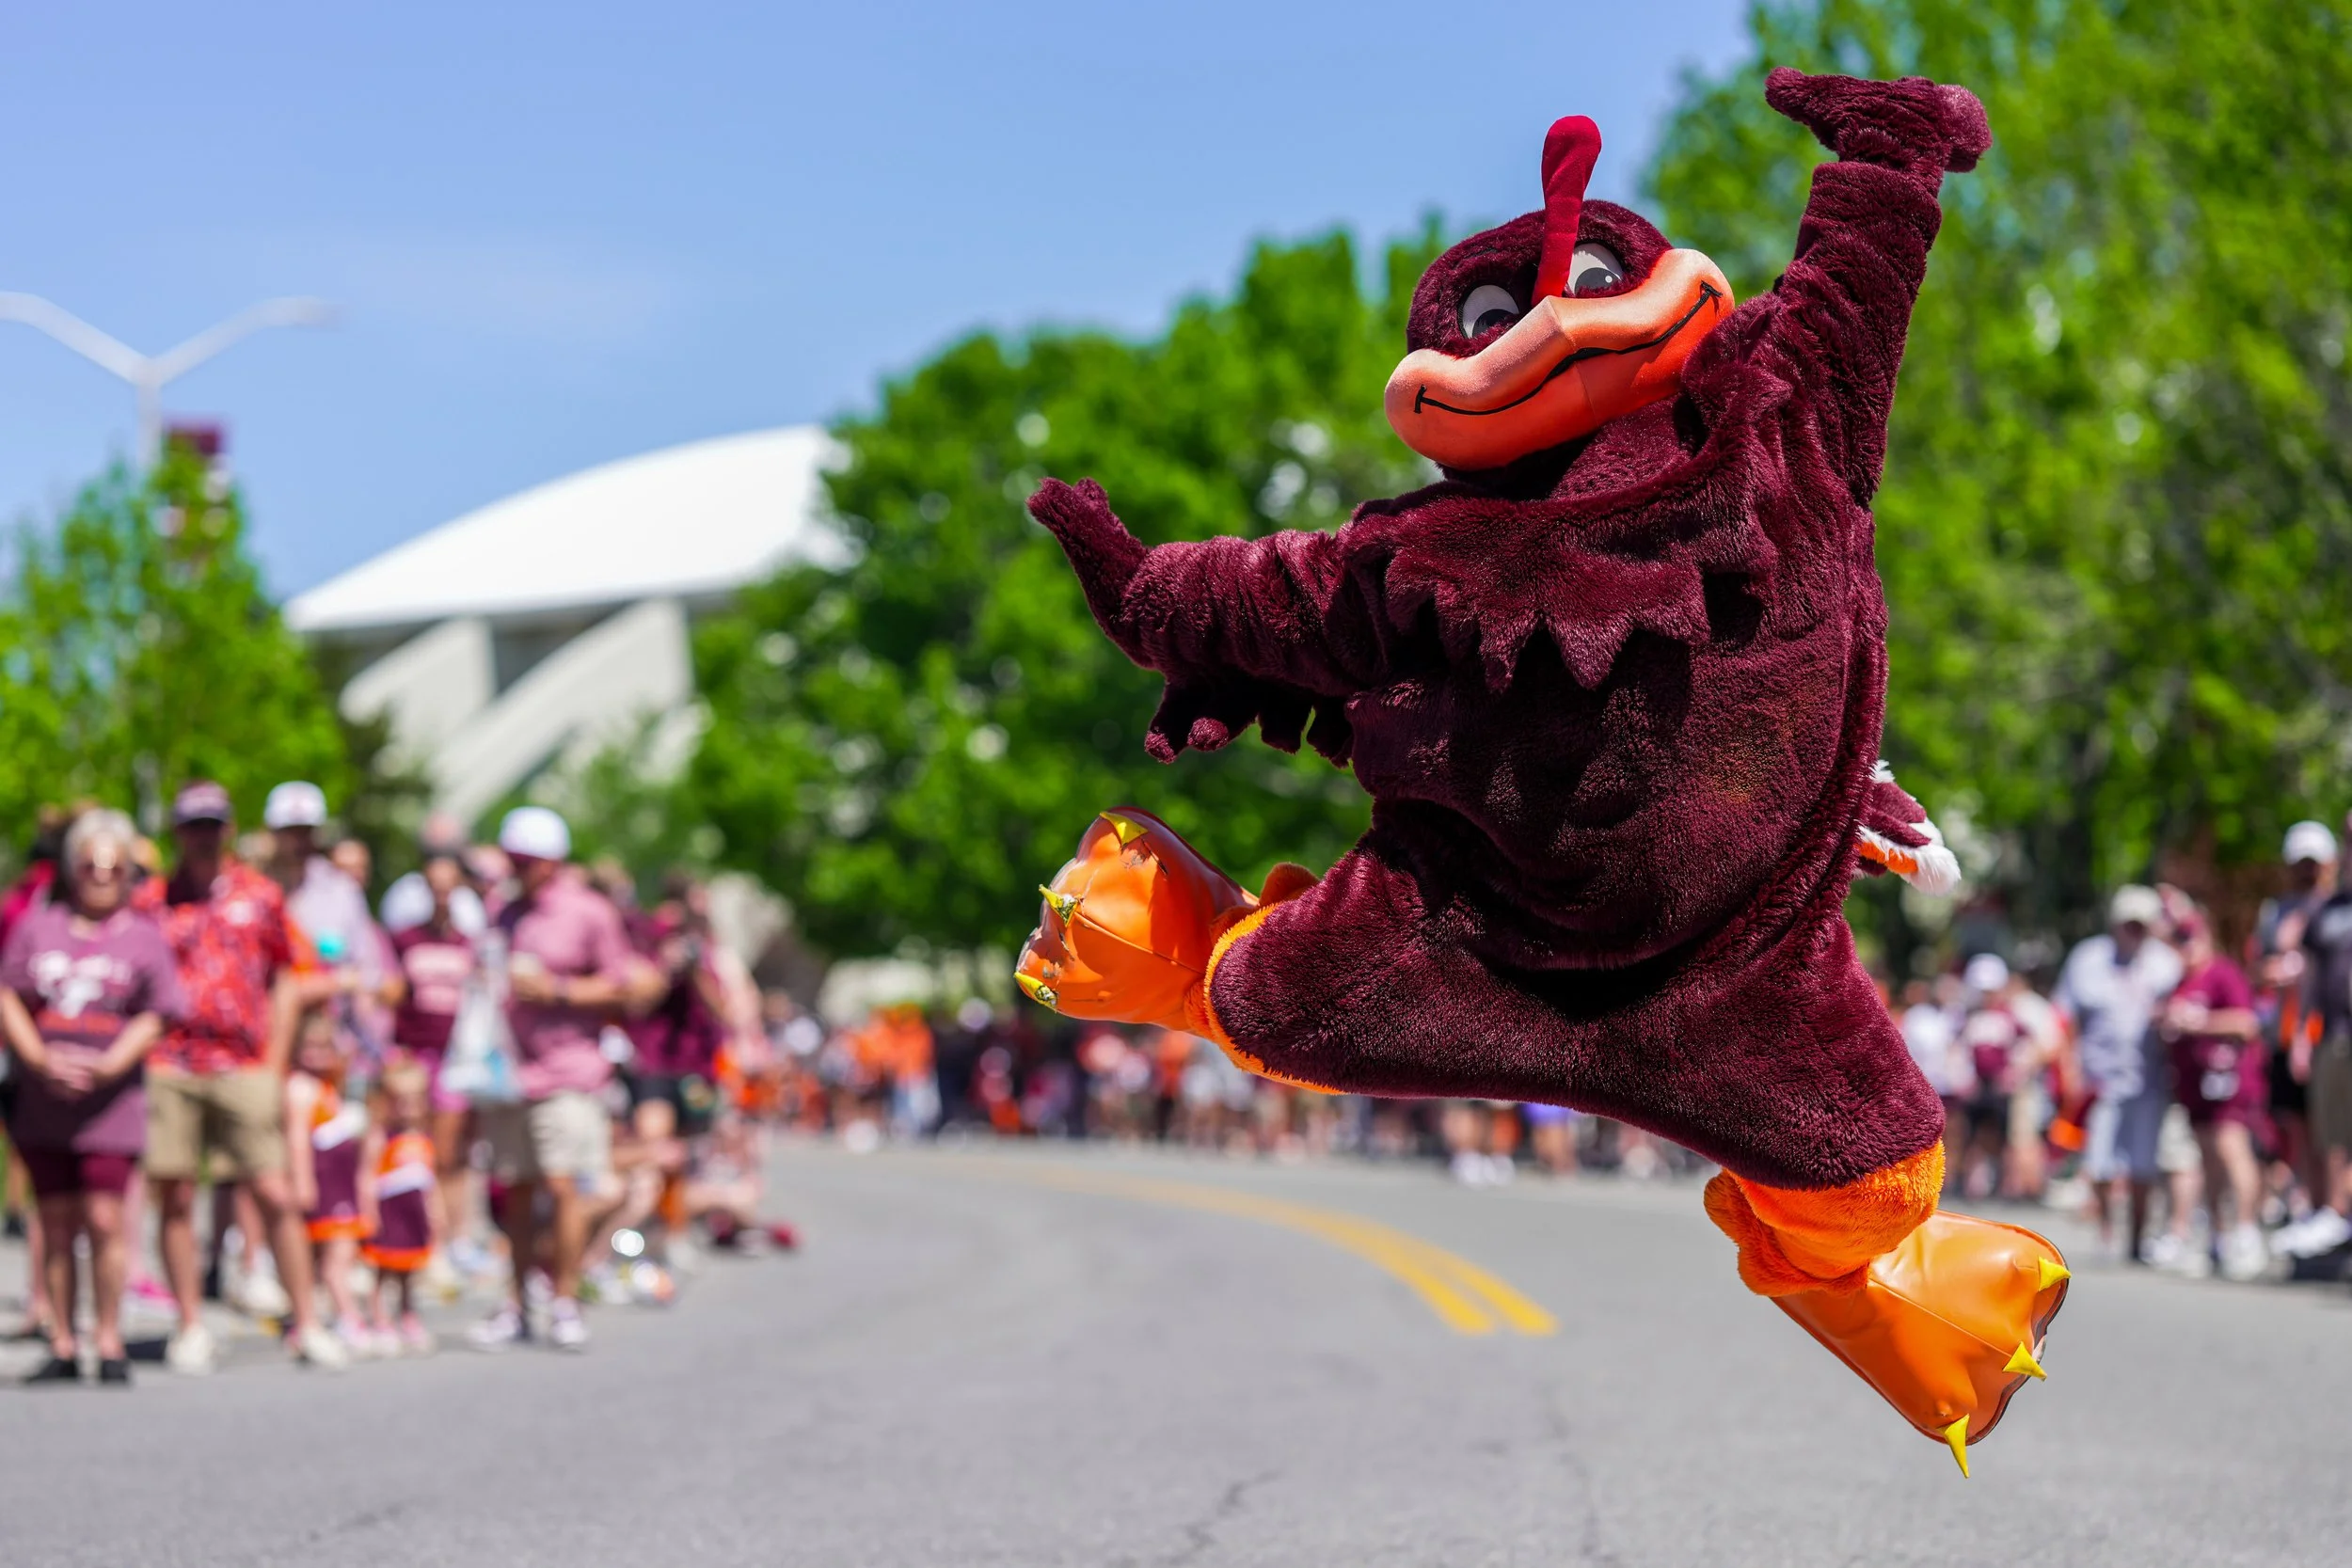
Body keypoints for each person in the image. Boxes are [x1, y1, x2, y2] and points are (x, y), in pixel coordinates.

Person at [135, 782, 348, 1372]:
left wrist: (275, 1057)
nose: (203, 837)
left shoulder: (259, 895)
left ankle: (306, 1321)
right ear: (177, 833)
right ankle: (189, 1323)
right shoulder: (152, 900)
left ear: (228, 829)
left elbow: (289, 976)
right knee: (175, 1192)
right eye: (192, 826)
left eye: (213, 824)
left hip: (243, 1062)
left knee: (274, 1191)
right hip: (170, 1063)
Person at [0, 810, 184, 1385]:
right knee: (53, 1222)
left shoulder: (144, 937)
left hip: (110, 1101)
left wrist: (109, 1065)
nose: (102, 875)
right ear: (71, 870)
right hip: (43, 1099)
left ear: (129, 872)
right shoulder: (40, 927)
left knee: (105, 1219)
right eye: (90, 865)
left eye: (114, 866)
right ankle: (61, 1337)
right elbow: (10, 994)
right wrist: (36, 1058)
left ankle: (108, 1337)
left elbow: (159, 1013)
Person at [470, 806, 644, 1353]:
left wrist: (559, 992)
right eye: (513, 860)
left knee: (565, 1186)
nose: (518, 870)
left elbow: (623, 984)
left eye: (528, 861)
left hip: (570, 1071)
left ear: (552, 862)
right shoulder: (500, 911)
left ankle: (565, 1300)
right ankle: (519, 1302)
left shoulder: (588, 911)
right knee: (514, 1192)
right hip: (509, 1071)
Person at [2054, 884, 2184, 1264]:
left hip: (2150, 1078)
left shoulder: (2166, 962)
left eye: (2141, 925)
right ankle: (2109, 1231)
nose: (2134, 932)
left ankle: (2139, 1238)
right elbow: (2067, 1017)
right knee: (2101, 1160)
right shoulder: (2089, 958)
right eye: (2128, 924)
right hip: (2101, 1078)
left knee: (2144, 1162)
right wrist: (2069, 1068)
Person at [383, 848, 481, 1264]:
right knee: (415, 1146)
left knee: (452, 1150)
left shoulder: (469, 944)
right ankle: (418, 1234)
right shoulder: (404, 941)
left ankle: (454, 1236)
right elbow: (392, 996)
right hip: (415, 1055)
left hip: (457, 1058)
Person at [2158, 908, 2266, 1280]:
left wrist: (2200, 1023)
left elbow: (2247, 1022)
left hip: (2228, 1082)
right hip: (2194, 1084)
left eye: (2191, 937)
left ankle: (2248, 1232)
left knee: (2232, 1151)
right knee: (2208, 1161)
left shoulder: (2222, 972)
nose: (2186, 946)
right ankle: (2219, 1237)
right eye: (2179, 939)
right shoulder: (2179, 982)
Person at [2264, 820, 2344, 1257]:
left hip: (2322, 1035)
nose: (2308, 872)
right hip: (2289, 1033)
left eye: (2315, 863)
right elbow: (2266, 963)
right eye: (2301, 864)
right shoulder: (2278, 910)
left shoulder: (2335, 908)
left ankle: (2333, 1211)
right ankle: (2315, 1210)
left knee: (2329, 1129)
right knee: (2300, 1128)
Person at [285, 1011, 376, 1355]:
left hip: (341, 1186)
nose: (318, 1055)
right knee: (335, 1260)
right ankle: (349, 1318)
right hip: (323, 1187)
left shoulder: (329, 1087)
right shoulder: (301, 1089)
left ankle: (320, 1320)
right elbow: (297, 1137)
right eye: (310, 1047)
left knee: (333, 1260)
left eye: (325, 1047)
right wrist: (303, 1181)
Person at [2280, 839, 2352, 1260]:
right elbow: (2308, 978)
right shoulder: (2327, 911)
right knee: (2331, 1130)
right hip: (2333, 1034)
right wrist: (2302, 1035)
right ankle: (2334, 1212)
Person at [363, 1061, 441, 1355]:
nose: (408, 1107)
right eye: (400, 1101)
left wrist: (436, 1214)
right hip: (388, 1212)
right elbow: (367, 1178)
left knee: (409, 1271)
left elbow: (429, 1182)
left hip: (414, 1215)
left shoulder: (422, 1138)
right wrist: (368, 1212)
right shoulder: (380, 1137)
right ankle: (380, 1319)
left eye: (415, 1100)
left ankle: (409, 1316)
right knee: (382, 1271)